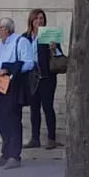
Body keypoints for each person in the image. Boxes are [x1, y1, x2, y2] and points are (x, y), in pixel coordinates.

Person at [0, 17, 38, 170]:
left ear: (6, 29)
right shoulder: (1, 45)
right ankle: (5, 153)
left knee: (13, 120)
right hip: (0, 86)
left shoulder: (20, 42)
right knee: (2, 120)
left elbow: (28, 63)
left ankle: (14, 155)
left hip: (14, 85)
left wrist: (8, 69)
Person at [24, 8, 62, 151]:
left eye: (41, 18)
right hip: (32, 76)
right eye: (37, 19)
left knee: (47, 107)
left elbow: (59, 55)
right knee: (34, 108)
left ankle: (51, 138)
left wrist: (53, 47)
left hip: (47, 76)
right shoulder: (26, 37)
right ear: (31, 21)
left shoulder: (48, 35)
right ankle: (35, 138)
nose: (39, 21)